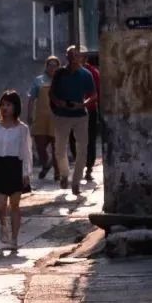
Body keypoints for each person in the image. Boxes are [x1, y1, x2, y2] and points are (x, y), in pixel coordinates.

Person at [0, 90, 33, 251]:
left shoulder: (22, 128)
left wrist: (26, 172)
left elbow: (26, 151)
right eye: (3, 105)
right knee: (0, 205)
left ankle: (14, 238)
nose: (5, 108)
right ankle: (3, 225)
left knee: (15, 205)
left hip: (15, 165)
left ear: (15, 107)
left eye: (8, 105)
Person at [49, 45, 96, 198]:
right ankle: (64, 174)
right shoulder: (60, 74)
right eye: (70, 56)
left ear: (80, 58)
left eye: (76, 56)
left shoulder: (86, 74)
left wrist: (83, 104)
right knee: (60, 148)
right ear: (67, 57)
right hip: (62, 115)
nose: (73, 59)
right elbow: (51, 93)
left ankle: (76, 182)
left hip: (80, 114)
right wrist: (59, 103)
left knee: (82, 148)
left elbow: (93, 95)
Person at [28, 56, 61, 182]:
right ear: (46, 66)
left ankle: (57, 173)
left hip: (56, 117)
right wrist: (30, 114)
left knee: (56, 147)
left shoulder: (61, 80)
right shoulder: (38, 80)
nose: (52, 67)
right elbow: (31, 98)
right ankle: (46, 164)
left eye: (55, 65)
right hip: (41, 117)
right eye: (50, 65)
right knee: (40, 146)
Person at [83, 50, 101, 185]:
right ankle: (81, 164)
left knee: (90, 139)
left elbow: (98, 92)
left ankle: (88, 167)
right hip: (71, 111)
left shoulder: (93, 72)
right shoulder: (65, 72)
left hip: (90, 110)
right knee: (73, 140)